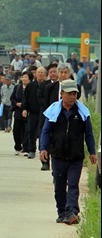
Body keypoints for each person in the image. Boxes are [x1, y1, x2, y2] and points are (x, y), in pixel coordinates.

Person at [40, 79, 97, 225]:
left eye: (74, 94)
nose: (72, 97)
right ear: (62, 94)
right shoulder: (54, 111)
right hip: (58, 155)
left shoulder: (82, 112)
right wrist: (43, 148)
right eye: (69, 94)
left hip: (75, 156)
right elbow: (46, 131)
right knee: (59, 185)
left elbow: (88, 134)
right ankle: (62, 212)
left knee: (72, 184)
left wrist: (92, 152)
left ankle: (72, 212)